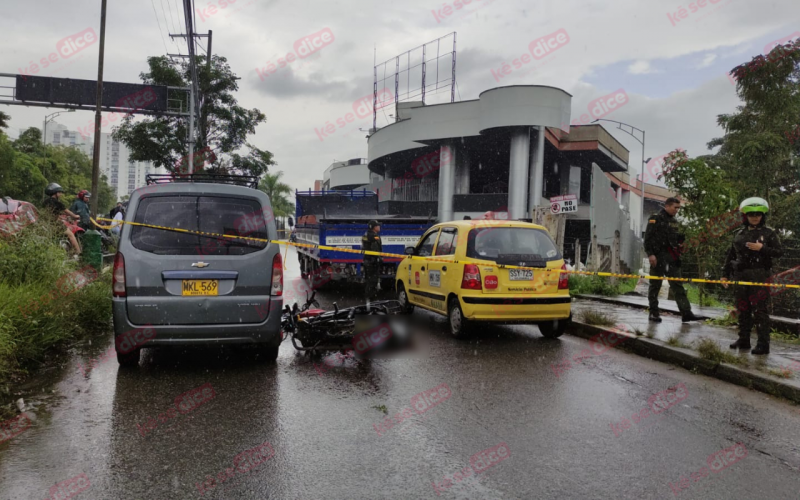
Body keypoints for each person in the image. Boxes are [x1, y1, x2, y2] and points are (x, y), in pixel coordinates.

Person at [721, 197, 783, 355]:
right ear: (745, 216)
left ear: (763, 216)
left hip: (760, 275)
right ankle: (744, 340)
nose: (755, 217)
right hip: (741, 275)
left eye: (758, 214)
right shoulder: (739, 233)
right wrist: (725, 274)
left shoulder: (769, 233)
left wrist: (762, 248)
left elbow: (779, 252)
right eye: (751, 214)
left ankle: (763, 344)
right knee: (743, 308)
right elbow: (731, 255)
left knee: (760, 310)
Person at [644, 197, 701, 323]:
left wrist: (679, 244)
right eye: (675, 207)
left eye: (678, 208)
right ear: (667, 206)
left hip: (671, 258)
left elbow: (674, 240)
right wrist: (650, 254)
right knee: (655, 286)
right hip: (658, 257)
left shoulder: (674, 222)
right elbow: (648, 238)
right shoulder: (655, 218)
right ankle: (653, 312)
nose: (677, 210)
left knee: (677, 285)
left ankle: (686, 312)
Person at [43, 182, 81, 254]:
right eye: (59, 192)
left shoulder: (45, 202)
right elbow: (67, 211)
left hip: (46, 224)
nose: (60, 194)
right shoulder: (57, 202)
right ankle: (79, 253)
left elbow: (52, 213)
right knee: (71, 235)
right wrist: (75, 216)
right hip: (55, 224)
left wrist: (61, 218)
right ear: (55, 193)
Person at [362, 220, 383, 303]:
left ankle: (368, 297)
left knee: (368, 279)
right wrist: (379, 258)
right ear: (374, 227)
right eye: (378, 226)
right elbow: (375, 249)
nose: (379, 227)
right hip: (372, 262)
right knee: (373, 280)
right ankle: (371, 299)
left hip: (367, 260)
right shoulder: (374, 237)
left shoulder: (366, 234)